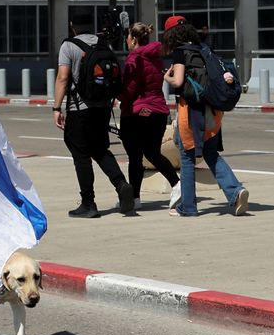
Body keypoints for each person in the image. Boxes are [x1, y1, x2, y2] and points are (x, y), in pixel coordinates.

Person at [162, 15, 249, 217]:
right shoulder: (204, 49)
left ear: (171, 34)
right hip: (213, 113)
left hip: (191, 112)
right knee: (210, 153)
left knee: (187, 157)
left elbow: (178, 82)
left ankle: (188, 207)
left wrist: (167, 77)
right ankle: (235, 191)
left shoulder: (180, 52)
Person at [53, 14, 134, 218]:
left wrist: (56, 108)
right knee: (100, 149)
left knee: (80, 154)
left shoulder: (69, 46)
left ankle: (88, 203)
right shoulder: (103, 44)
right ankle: (121, 184)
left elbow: (63, 78)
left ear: (72, 24)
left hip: (80, 109)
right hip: (103, 107)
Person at [118, 22, 180, 210]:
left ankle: (134, 199)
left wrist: (116, 93)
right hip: (159, 110)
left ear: (134, 39)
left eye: (128, 37)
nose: (126, 41)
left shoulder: (133, 59)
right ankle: (177, 185)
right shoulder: (155, 56)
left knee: (135, 157)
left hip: (138, 112)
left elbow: (129, 90)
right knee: (152, 153)